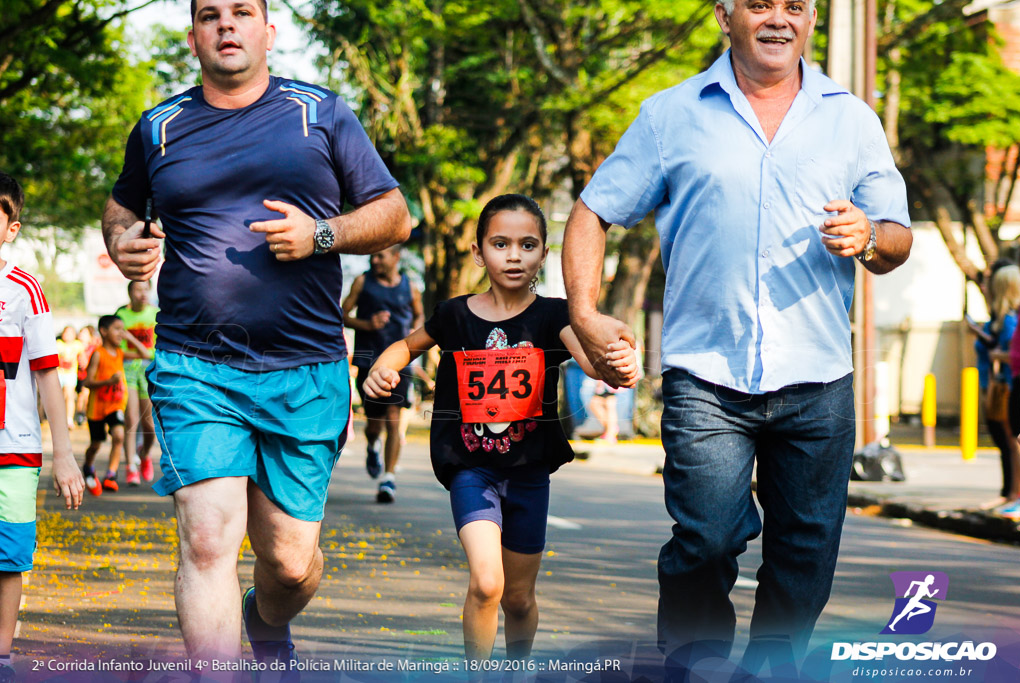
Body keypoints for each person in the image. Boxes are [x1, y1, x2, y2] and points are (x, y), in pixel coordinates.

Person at [561, 0, 912, 675]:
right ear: (726, 16)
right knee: (707, 537)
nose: (778, 18)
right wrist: (584, 310)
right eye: (759, 4)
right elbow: (593, 209)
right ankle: (693, 662)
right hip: (707, 376)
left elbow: (897, 234)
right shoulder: (672, 114)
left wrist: (869, 235)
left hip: (818, 378)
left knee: (805, 548)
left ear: (812, 21)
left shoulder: (851, 120)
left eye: (795, 6)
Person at [101, 0, 410, 671]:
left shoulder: (320, 113)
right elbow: (124, 202)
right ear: (193, 37)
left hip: (305, 370)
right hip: (196, 365)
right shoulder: (159, 126)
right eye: (210, 15)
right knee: (208, 541)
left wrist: (321, 233)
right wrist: (121, 239)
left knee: (292, 565)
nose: (226, 25)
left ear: (270, 31)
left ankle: (264, 621)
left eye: (242, 12)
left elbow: (394, 214)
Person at [364, 194, 638, 664]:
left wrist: (618, 363)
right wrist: (381, 369)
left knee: (518, 599)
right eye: (500, 243)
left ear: (544, 255)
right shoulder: (454, 315)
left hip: (530, 471)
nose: (514, 255)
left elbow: (592, 360)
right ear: (478, 252)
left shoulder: (554, 316)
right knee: (487, 583)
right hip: (471, 467)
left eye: (527, 245)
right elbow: (405, 347)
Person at [0, 172, 84, 683]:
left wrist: (63, 453)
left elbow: (49, 376)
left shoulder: (25, 291)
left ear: (12, 228)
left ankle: (1, 656)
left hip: (15, 448)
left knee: (8, 555)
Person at [342, 245, 424, 503]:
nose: (374, 260)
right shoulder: (362, 281)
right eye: (372, 255)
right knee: (375, 423)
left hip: (401, 363)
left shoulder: (409, 286)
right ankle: (372, 444)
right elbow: (341, 315)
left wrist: (416, 333)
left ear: (396, 257)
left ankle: (389, 478)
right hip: (369, 360)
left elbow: (419, 314)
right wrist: (367, 324)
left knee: (394, 418)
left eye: (380, 256)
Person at [968, 262, 1020, 514]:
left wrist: (998, 358)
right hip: (1004, 384)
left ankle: (1017, 495)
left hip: (1011, 385)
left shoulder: (1012, 319)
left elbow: (1015, 353)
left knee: (1014, 442)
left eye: (989, 280)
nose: (984, 284)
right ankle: (1012, 494)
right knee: (1010, 442)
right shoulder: (1007, 317)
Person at [81, 315, 146, 496]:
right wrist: (108, 381)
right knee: (96, 444)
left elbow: (145, 354)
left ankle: (111, 474)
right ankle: (87, 465)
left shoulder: (120, 353)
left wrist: (130, 338)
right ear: (103, 331)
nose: (121, 333)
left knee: (118, 435)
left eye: (123, 329)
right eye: (117, 329)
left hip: (115, 405)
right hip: (97, 408)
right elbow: (87, 382)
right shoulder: (98, 354)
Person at [115, 280, 158, 486]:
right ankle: (130, 467)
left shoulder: (156, 314)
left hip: (149, 370)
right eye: (138, 289)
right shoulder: (121, 316)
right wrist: (137, 353)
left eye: (145, 289)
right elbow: (117, 349)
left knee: (149, 424)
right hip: (127, 370)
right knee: (131, 418)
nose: (142, 293)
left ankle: (145, 454)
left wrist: (146, 354)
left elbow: (157, 349)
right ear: (130, 292)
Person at [55, 325, 83, 430]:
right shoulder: (58, 344)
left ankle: (69, 419)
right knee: (59, 397)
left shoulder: (77, 345)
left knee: (70, 395)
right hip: (59, 373)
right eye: (66, 332)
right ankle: (59, 418)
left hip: (71, 373)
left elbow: (83, 357)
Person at [74, 325, 98, 425]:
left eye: (85, 333)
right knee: (79, 395)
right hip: (76, 375)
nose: (82, 335)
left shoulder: (93, 348)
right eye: (81, 333)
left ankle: (85, 414)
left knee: (85, 394)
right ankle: (80, 413)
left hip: (87, 375)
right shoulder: (75, 346)